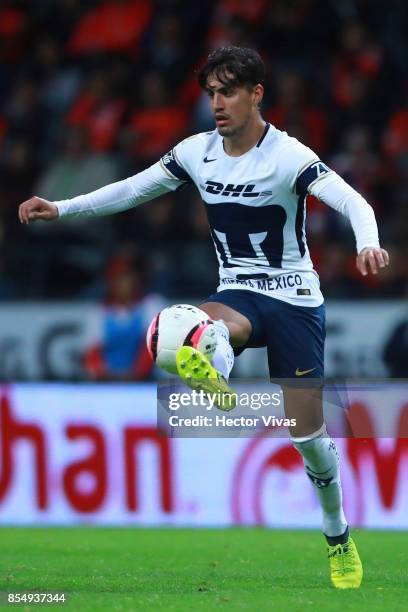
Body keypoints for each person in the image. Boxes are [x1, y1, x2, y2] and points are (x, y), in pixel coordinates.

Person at [19, 46, 389, 589]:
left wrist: (369, 244)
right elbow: (132, 189)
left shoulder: (287, 155)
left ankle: (338, 537)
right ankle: (215, 368)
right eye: (211, 92)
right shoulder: (197, 152)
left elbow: (355, 201)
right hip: (237, 291)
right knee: (182, 323)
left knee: (309, 439)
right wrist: (63, 208)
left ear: (256, 94)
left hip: (294, 299)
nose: (217, 103)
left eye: (229, 91)